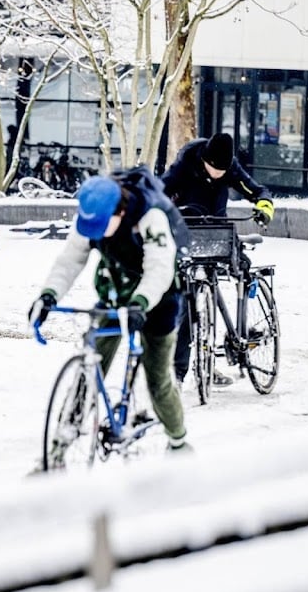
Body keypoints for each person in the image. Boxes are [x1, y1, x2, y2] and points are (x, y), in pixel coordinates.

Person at [28, 168, 192, 453]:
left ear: (120, 211)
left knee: (158, 381)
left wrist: (141, 303)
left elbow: (160, 268)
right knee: (90, 370)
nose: (96, 233)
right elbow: (70, 259)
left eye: (102, 226)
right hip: (115, 293)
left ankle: (178, 443)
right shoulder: (91, 218)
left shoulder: (150, 217)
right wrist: (48, 295)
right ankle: (59, 447)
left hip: (158, 300)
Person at [161, 132, 275, 388]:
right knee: (188, 304)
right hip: (188, 236)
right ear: (204, 159)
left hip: (218, 235)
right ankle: (179, 372)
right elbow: (158, 191)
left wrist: (264, 207)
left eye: (223, 170)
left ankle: (240, 334)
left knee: (241, 267)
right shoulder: (184, 165)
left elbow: (257, 191)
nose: (218, 174)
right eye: (214, 168)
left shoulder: (229, 168)